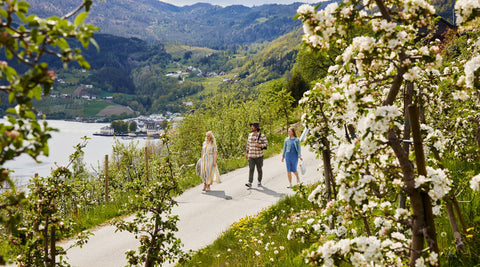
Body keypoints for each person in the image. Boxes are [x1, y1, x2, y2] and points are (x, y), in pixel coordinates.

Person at [245, 122, 268, 188]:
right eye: (251, 126)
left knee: (259, 169)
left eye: (253, 126)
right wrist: (247, 153)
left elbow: (266, 144)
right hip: (251, 156)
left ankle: (259, 181)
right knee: (251, 168)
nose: (251, 127)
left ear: (256, 128)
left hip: (259, 156)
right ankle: (250, 182)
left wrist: (260, 145)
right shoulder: (250, 135)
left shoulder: (261, 135)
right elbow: (248, 145)